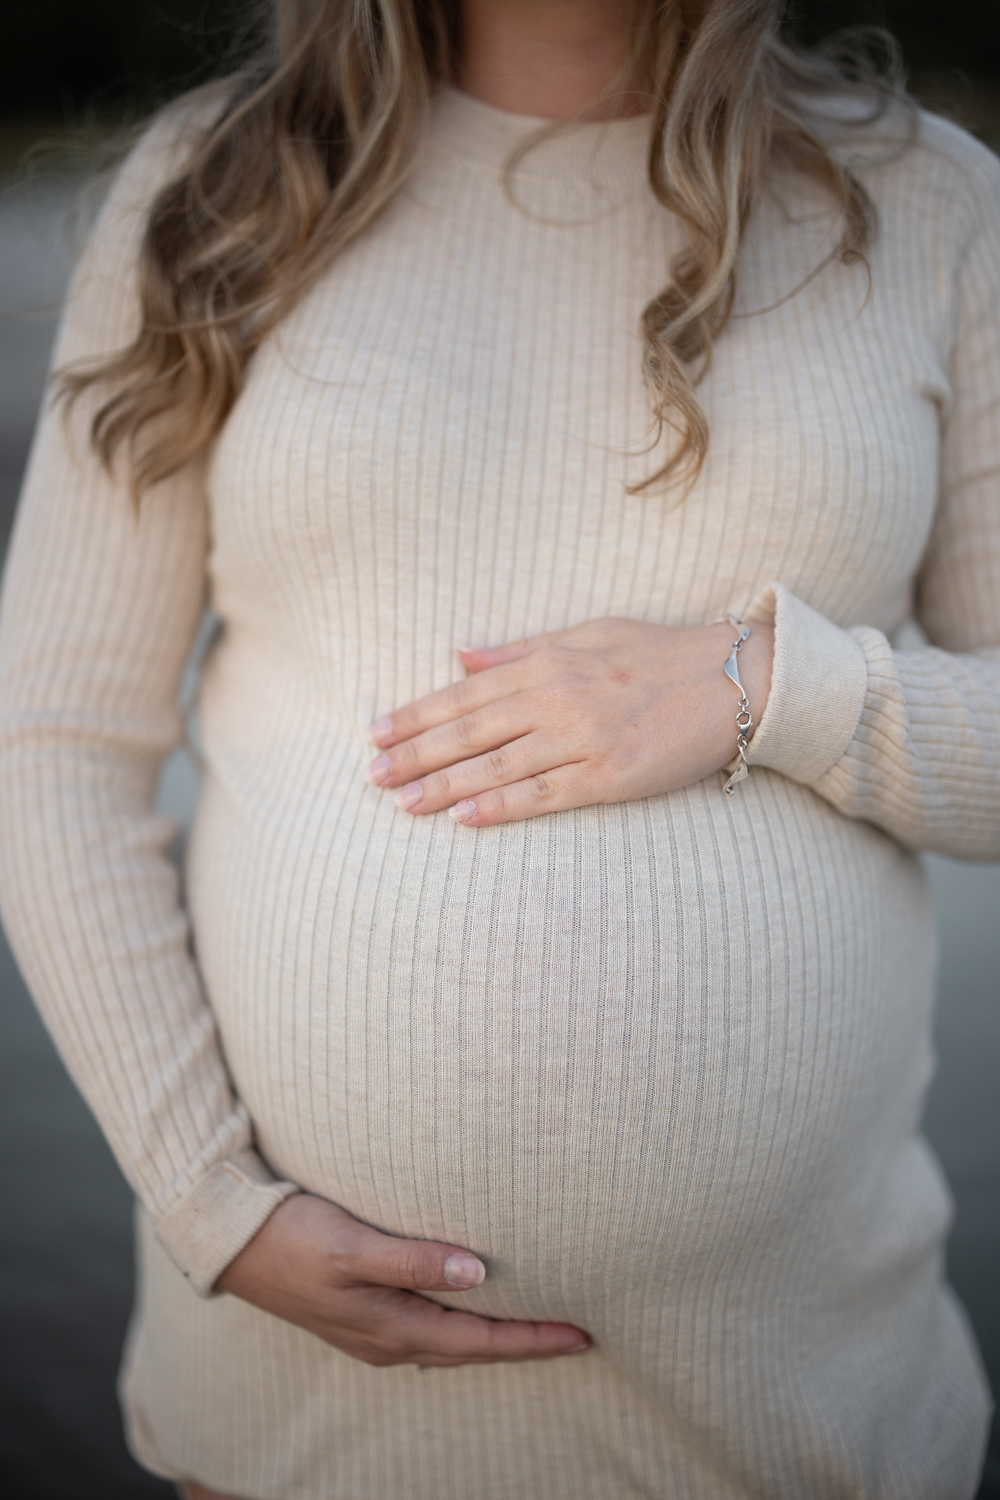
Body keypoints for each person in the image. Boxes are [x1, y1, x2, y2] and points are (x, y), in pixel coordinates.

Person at [0, 0, 997, 1495]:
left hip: (803, 1419)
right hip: (303, 1435)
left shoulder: (934, 202)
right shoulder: (215, 186)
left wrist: (770, 687)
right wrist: (213, 1206)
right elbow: (54, 742)